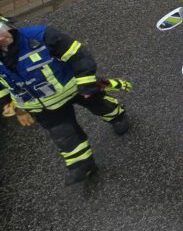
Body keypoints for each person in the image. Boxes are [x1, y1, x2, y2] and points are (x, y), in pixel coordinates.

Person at [0, 17, 131, 185]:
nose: (2, 37)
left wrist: (86, 83)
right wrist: (11, 105)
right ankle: (83, 166)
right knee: (64, 136)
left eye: (2, 31)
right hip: (46, 106)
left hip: (76, 88)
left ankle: (117, 117)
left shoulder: (40, 35)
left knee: (101, 105)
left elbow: (78, 55)